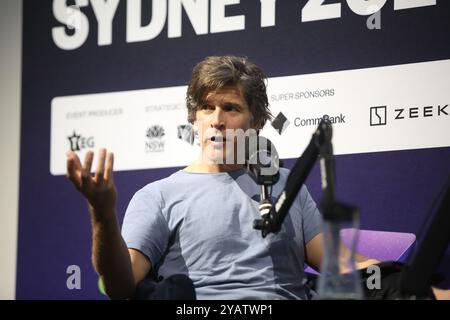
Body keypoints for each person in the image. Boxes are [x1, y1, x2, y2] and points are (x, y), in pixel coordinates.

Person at [66, 55, 401, 300]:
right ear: (194, 121)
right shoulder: (157, 196)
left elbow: (338, 263)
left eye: (231, 108)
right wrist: (102, 213)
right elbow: (121, 286)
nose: (217, 120)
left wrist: (406, 282)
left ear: (256, 123)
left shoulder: (287, 185)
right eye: (207, 108)